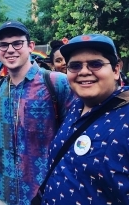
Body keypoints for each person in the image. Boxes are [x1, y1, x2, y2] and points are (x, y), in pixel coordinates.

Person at [0, 20, 75, 205]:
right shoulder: (0, 88)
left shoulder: (56, 82)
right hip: (2, 189)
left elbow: (77, 134)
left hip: (42, 192)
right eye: (4, 45)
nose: (10, 49)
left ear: (30, 46)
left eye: (17, 43)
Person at [41, 34, 129, 204]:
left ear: (116, 69)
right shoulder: (76, 106)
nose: (84, 71)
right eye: (75, 66)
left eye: (95, 64)